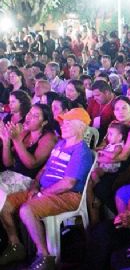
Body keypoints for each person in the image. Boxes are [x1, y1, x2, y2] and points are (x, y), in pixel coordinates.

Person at [0, 108, 94, 269]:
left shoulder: (81, 151)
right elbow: (43, 170)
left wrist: (41, 193)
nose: (63, 125)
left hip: (67, 195)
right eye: (63, 122)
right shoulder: (61, 144)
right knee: (5, 204)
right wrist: (35, 186)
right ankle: (16, 244)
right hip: (45, 190)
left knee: (26, 210)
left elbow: (68, 183)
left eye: (68, 123)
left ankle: (44, 255)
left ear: (81, 127)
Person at [0, 104, 58, 215]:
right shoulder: (24, 133)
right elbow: (8, 163)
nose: (29, 117)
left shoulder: (48, 138)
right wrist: (6, 141)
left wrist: (16, 140)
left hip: (29, 183)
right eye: (29, 113)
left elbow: (31, 164)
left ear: (44, 122)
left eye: (35, 116)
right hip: (11, 176)